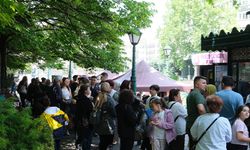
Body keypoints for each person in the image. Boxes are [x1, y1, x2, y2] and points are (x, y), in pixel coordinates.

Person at [186, 76, 207, 148]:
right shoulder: (197, 94)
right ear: (196, 85)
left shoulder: (191, 94)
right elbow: (201, 109)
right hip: (197, 127)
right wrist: (208, 118)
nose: (205, 85)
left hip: (191, 125)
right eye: (203, 83)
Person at [94, 82, 116, 150]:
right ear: (108, 88)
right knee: (108, 143)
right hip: (108, 123)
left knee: (102, 142)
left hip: (99, 122)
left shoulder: (98, 97)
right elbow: (114, 112)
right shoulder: (109, 99)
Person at [75, 84, 93, 150]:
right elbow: (90, 110)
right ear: (85, 91)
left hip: (80, 121)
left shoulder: (79, 98)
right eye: (89, 89)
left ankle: (78, 144)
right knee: (86, 138)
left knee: (81, 136)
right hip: (86, 122)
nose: (90, 91)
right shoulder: (86, 100)